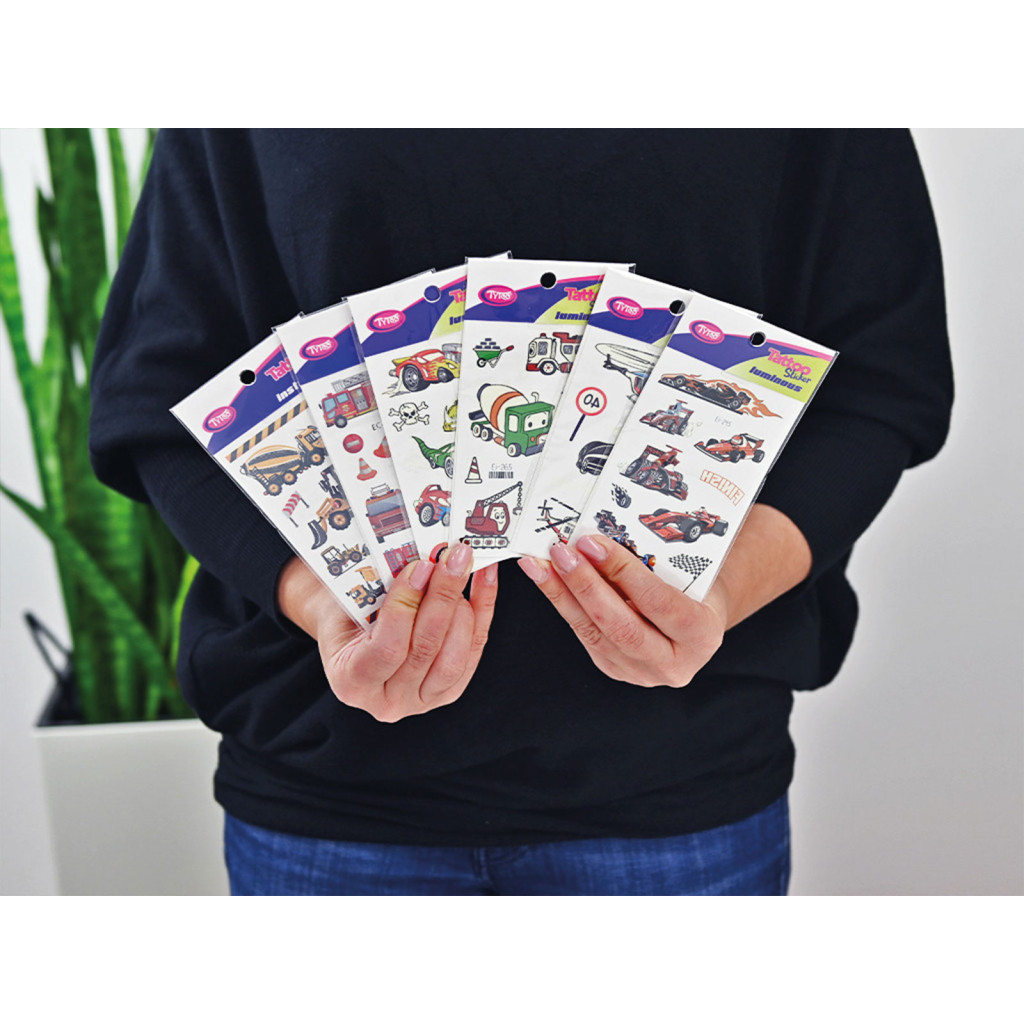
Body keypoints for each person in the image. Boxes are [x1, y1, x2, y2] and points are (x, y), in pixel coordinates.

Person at [89, 130, 953, 895]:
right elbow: (157, 397)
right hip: (325, 784)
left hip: (679, 786)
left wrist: (720, 593)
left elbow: (881, 382)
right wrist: (323, 602)